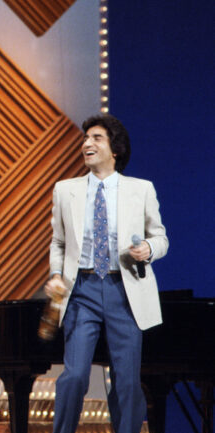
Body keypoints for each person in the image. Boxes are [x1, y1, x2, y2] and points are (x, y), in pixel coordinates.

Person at [44, 114, 168, 433]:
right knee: (73, 377)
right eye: (85, 138)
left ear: (116, 148)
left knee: (126, 382)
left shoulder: (140, 190)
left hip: (124, 290)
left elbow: (160, 237)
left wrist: (149, 250)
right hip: (81, 289)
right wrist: (56, 273)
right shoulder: (64, 190)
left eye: (96, 138)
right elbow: (58, 241)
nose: (87, 143)